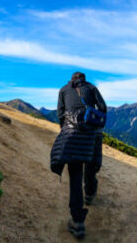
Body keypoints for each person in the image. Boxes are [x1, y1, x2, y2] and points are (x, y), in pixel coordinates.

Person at [50, 71, 107, 239]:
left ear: (72, 80)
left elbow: (60, 114)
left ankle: (78, 223)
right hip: (92, 133)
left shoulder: (63, 90)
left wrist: (67, 129)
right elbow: (103, 109)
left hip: (71, 134)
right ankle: (89, 193)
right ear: (83, 79)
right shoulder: (92, 87)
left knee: (75, 176)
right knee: (91, 164)